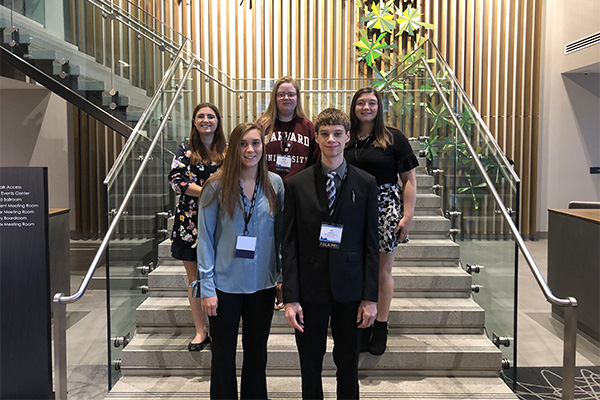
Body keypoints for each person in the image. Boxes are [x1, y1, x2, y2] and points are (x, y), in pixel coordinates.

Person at [282, 108, 379, 399]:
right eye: (324, 134)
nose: (331, 140)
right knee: (309, 365)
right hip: (310, 290)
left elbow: (371, 245)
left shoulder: (366, 183)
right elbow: (288, 244)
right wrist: (291, 298)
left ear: (348, 138)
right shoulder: (295, 185)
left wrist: (370, 298)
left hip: (350, 289)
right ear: (316, 138)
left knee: (348, 364)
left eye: (337, 134)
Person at [193, 122, 284, 399]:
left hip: (262, 285)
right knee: (223, 357)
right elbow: (206, 240)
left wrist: (281, 278)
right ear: (233, 148)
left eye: (255, 143)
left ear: (263, 147)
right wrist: (206, 289)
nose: (250, 149)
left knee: (257, 355)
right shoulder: (216, 186)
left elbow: (281, 236)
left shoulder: (275, 185)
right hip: (224, 287)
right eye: (243, 143)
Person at [345, 87, 418, 355]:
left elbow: (409, 180)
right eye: (361, 103)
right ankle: (362, 322)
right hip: (351, 207)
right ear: (354, 107)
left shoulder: (393, 138)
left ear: (379, 107)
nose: (366, 107)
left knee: (382, 269)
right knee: (356, 268)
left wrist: (407, 216)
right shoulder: (347, 137)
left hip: (385, 206)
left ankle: (381, 324)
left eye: (372, 103)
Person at [168, 102, 226, 352]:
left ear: (218, 121)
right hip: (189, 223)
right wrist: (207, 193)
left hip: (223, 220)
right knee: (195, 280)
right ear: (194, 121)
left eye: (211, 116)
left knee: (220, 278)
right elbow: (176, 181)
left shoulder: (228, 149)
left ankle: (222, 329)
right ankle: (201, 332)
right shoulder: (185, 149)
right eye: (200, 116)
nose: (206, 120)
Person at [257, 76, 320, 182]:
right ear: (275, 98)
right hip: (267, 186)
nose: (286, 98)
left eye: (291, 94)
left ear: (297, 98)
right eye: (281, 94)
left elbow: (316, 159)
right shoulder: (263, 125)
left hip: (298, 187)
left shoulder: (307, 126)